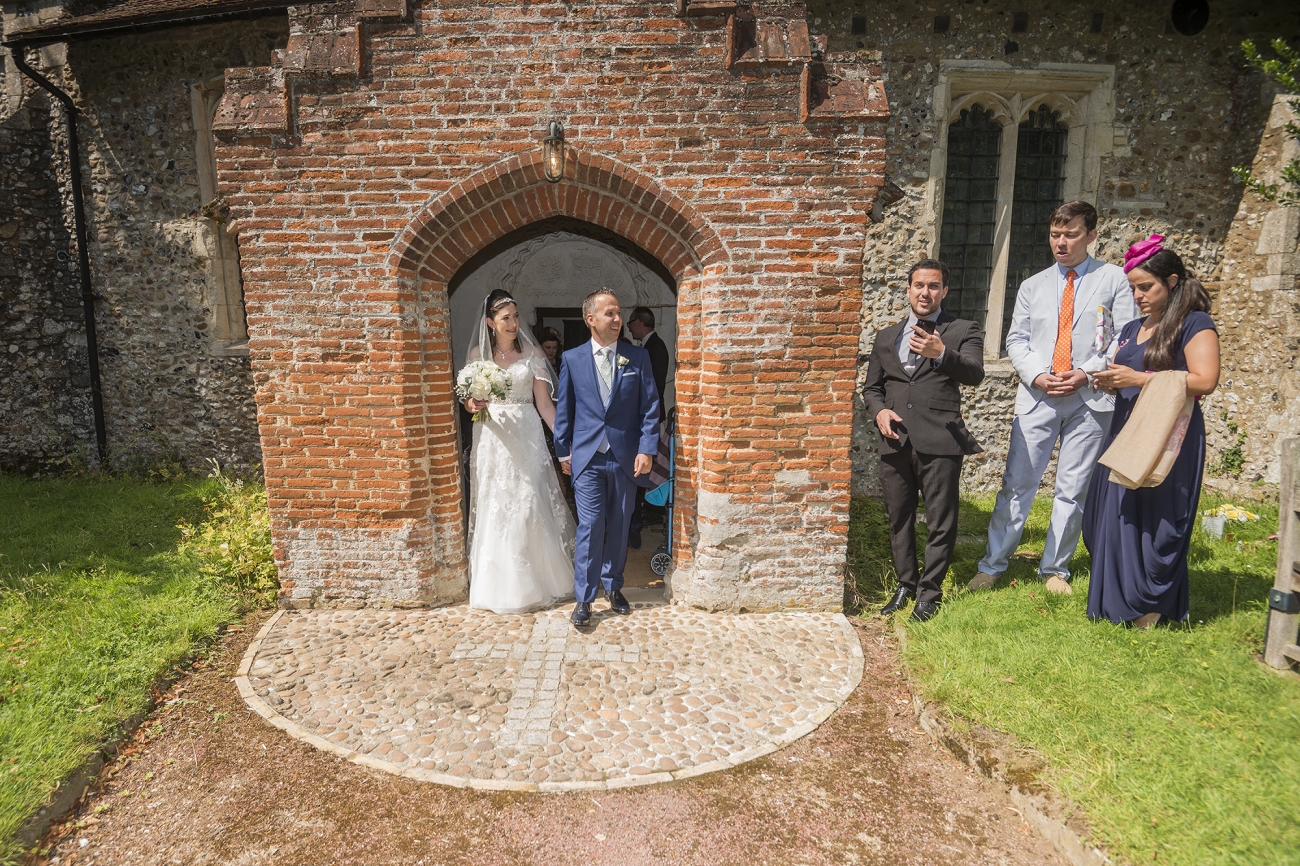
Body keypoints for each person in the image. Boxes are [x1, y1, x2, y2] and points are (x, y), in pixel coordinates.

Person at [968, 201, 1138, 596]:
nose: (1060, 242)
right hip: (1038, 397)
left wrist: (1085, 373)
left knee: (1072, 489)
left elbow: (1123, 335)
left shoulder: (1114, 279)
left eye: (1070, 234)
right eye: (1054, 234)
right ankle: (991, 566)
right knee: (1017, 484)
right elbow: (1016, 339)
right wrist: (1038, 375)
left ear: (1091, 235)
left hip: (1090, 398)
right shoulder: (1033, 285)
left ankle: (1055, 570)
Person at [1083, 240, 1220, 628]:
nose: (1137, 296)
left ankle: (1150, 608)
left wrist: (1140, 379)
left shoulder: (1194, 323)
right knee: (1109, 515)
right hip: (1126, 430)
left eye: (1146, 287)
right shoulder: (1132, 327)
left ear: (1172, 282)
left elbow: (1205, 380)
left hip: (1169, 435)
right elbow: (1127, 374)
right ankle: (1119, 602)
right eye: (1133, 288)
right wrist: (1112, 381)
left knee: (1158, 521)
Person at [862, 259, 985, 622]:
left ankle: (929, 593)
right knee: (898, 516)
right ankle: (906, 583)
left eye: (933, 286)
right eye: (919, 285)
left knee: (940, 520)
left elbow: (975, 374)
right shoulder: (886, 336)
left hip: (940, 439)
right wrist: (879, 412)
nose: (925, 293)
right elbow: (872, 389)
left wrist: (941, 353)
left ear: (944, 291)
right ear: (909, 290)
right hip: (895, 440)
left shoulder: (963, 329)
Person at [460, 289, 576, 614]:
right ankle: (502, 588)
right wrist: (472, 403)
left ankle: (540, 581)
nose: (513, 324)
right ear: (490, 323)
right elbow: (469, 402)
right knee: (497, 506)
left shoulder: (533, 353)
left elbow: (545, 406)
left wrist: (566, 443)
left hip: (527, 436)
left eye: (515, 316)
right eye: (505, 318)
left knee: (529, 502)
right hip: (492, 438)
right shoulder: (477, 356)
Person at [554, 290, 661, 627]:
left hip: (626, 458)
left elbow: (650, 408)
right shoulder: (571, 359)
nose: (617, 319)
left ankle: (614, 586)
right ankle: (584, 598)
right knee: (590, 526)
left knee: (619, 524)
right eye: (610, 313)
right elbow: (564, 409)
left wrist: (647, 448)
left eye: (619, 313)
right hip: (587, 458)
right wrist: (563, 451)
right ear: (591, 319)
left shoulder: (637, 357)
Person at [625, 306, 670, 549]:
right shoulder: (648, 346)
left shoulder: (655, 348)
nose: (629, 327)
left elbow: (653, 389)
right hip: (638, 420)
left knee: (645, 471)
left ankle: (644, 516)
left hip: (648, 419)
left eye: (630, 322)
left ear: (640, 322)